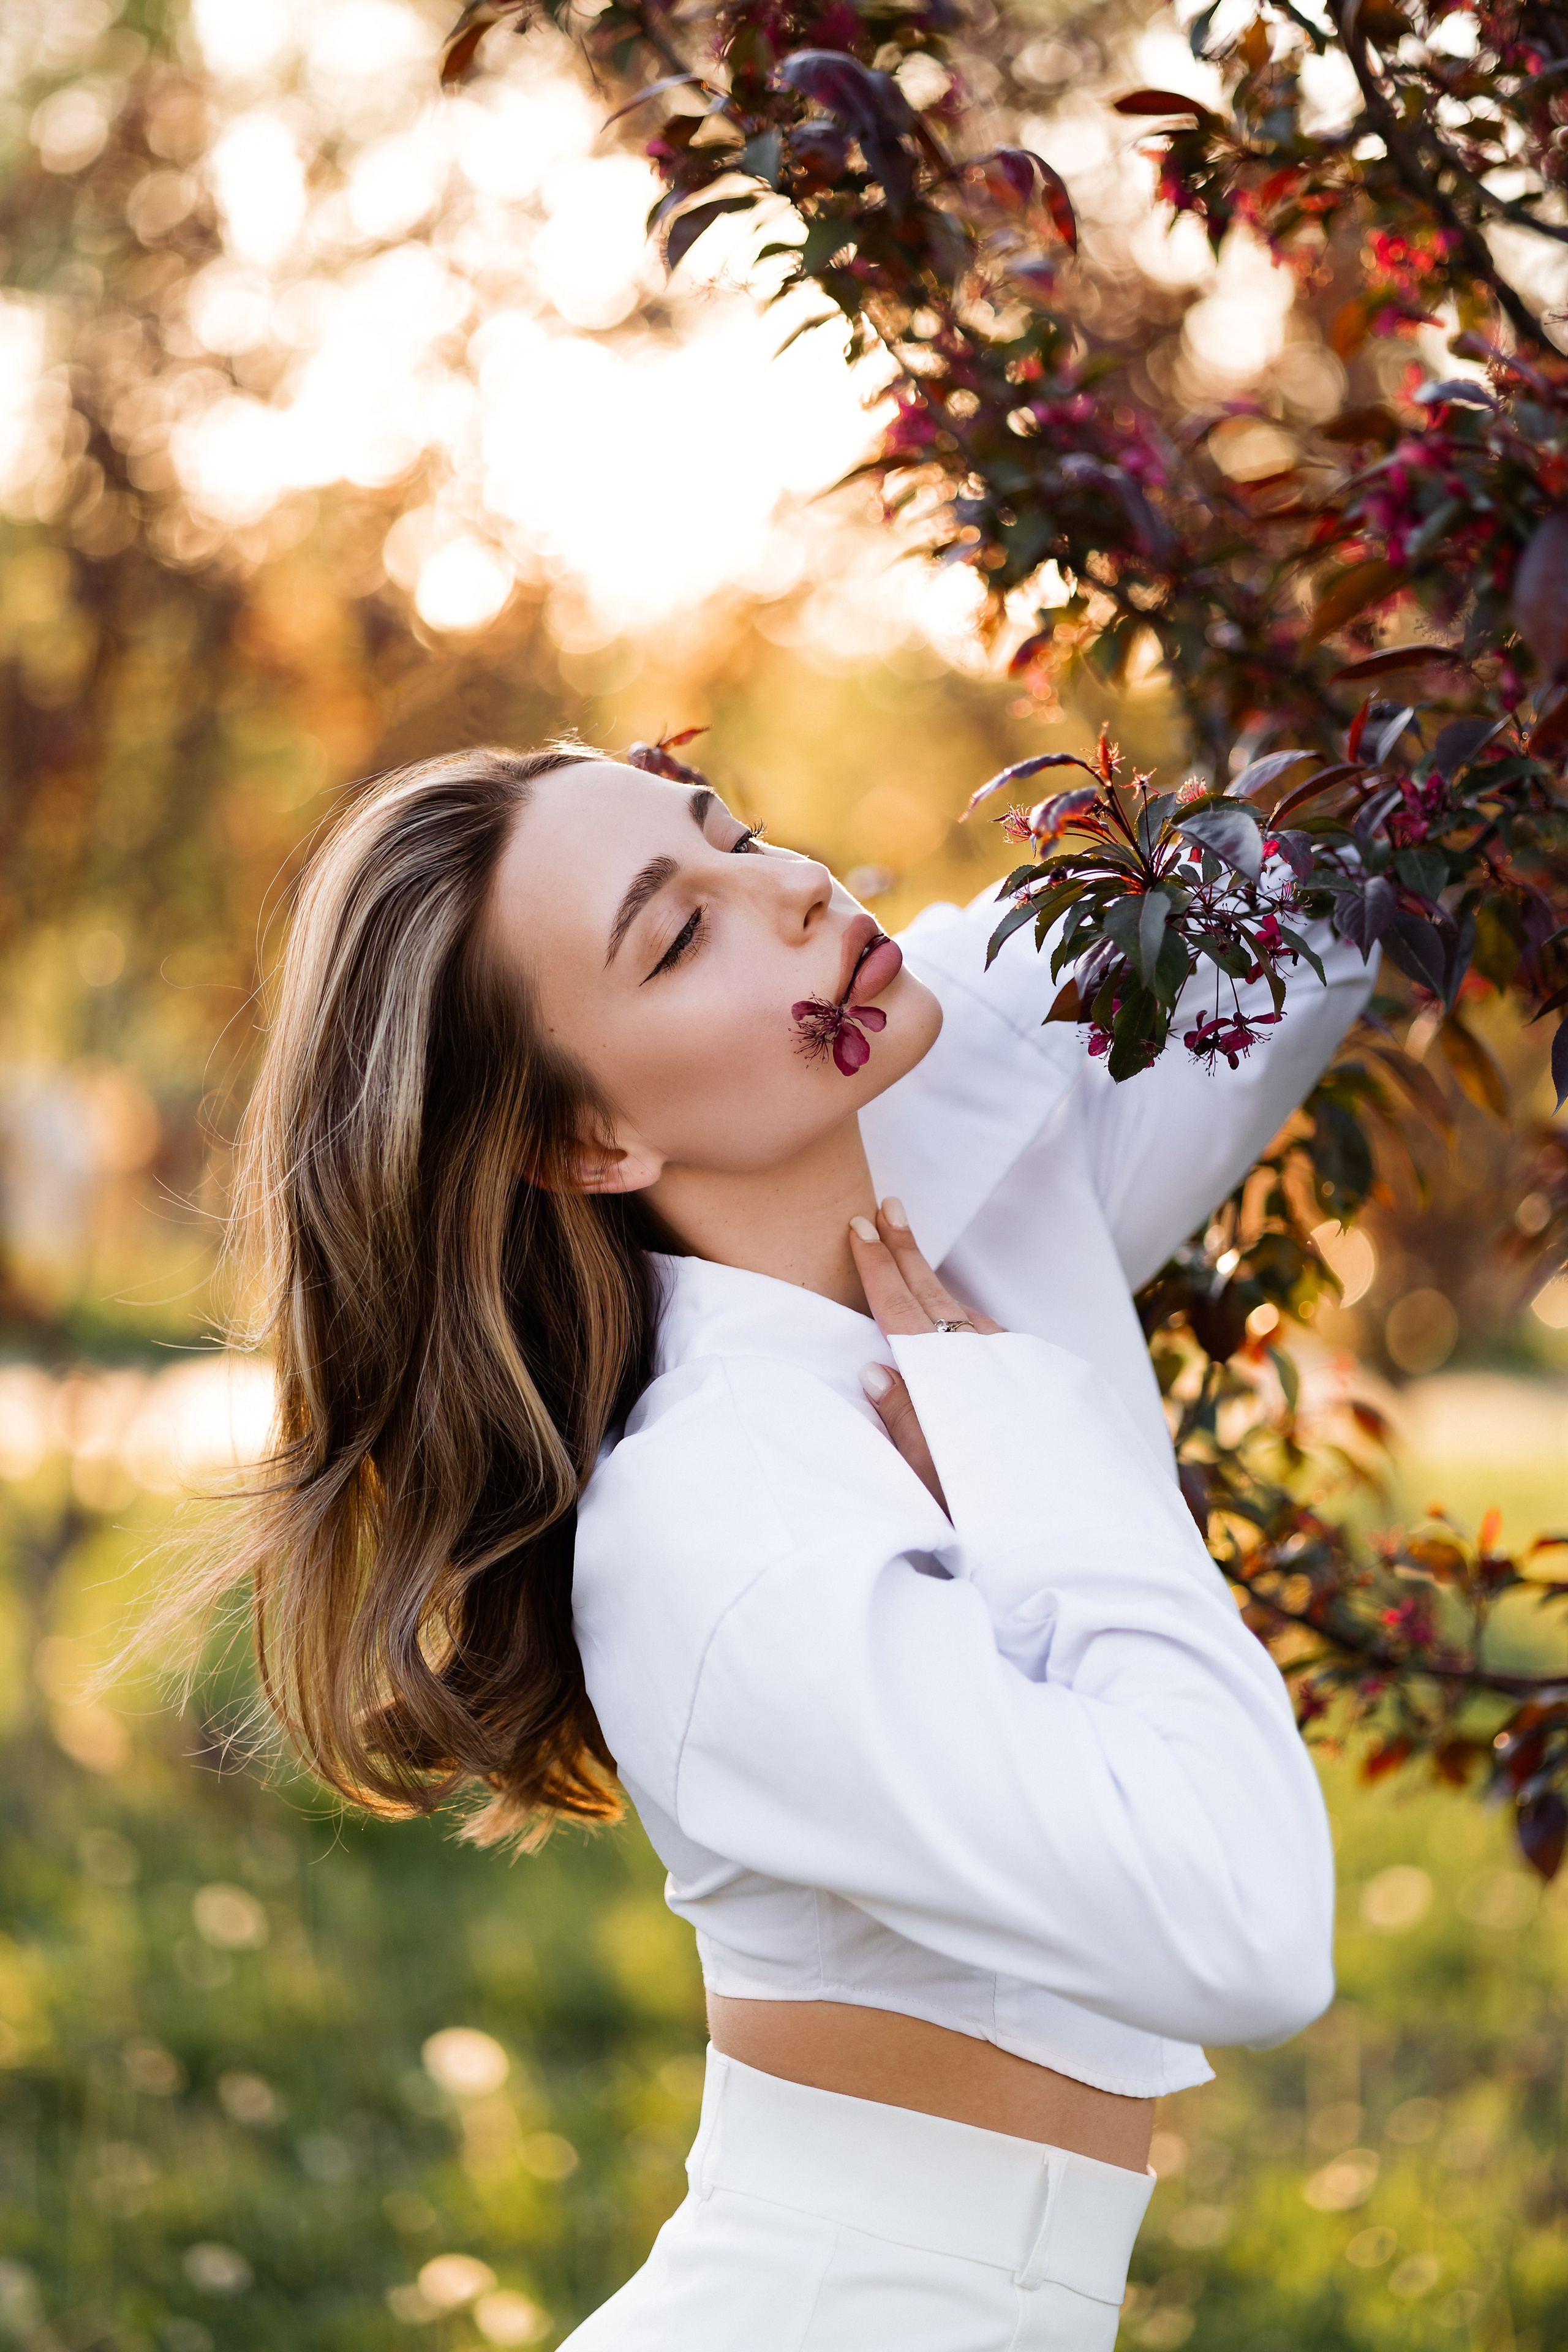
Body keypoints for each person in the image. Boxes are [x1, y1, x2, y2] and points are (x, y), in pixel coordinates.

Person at [199, 742, 1368, 2350]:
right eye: (678, 936)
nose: (793, 884)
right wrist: (1017, 1417)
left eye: (734, 831)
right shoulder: (716, 1523)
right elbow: (1246, 1933)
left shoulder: (966, 1183)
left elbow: (1348, 873)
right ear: (587, 1140)